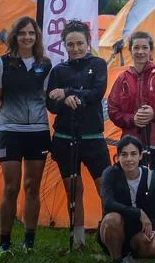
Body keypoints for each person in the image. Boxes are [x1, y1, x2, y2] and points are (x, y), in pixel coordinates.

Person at [107, 30, 155, 254]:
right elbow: (112, 110)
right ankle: (133, 233)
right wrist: (132, 119)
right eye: (136, 48)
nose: (140, 52)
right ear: (130, 51)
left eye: (144, 48)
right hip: (132, 145)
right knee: (133, 190)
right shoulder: (122, 78)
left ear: (151, 51)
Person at [0, 16, 51, 255]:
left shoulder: (45, 64)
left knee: (32, 187)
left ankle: (29, 242)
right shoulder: (1, 63)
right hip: (10, 131)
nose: (27, 37)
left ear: (37, 37)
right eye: (23, 33)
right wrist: (2, 127)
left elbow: (47, 97)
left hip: (37, 131)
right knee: (11, 187)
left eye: (31, 33)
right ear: (15, 36)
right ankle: (4, 242)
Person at [46, 19, 109, 249]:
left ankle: (109, 236)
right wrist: (65, 100)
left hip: (93, 137)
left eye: (79, 43)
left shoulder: (99, 64)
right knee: (73, 189)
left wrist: (67, 92)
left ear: (88, 42)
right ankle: (78, 239)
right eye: (70, 44)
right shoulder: (58, 70)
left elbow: (96, 93)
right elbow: (51, 104)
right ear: (64, 45)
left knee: (105, 187)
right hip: (65, 137)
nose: (75, 48)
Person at [97, 135, 155, 263]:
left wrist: (151, 231)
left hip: (137, 232)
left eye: (133, 154)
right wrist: (138, 213)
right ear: (118, 156)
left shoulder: (150, 177)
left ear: (140, 156)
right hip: (114, 228)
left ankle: (131, 259)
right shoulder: (110, 173)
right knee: (112, 219)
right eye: (124, 154)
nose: (129, 159)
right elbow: (107, 204)